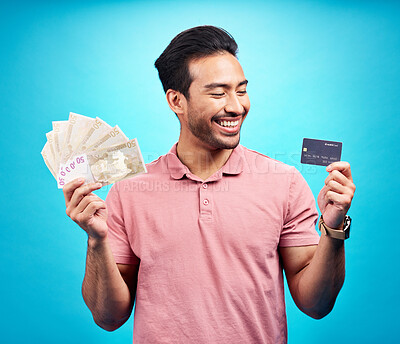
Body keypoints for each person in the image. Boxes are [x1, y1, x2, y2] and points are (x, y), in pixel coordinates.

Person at [63, 26, 356, 343]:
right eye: (218, 93)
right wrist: (96, 241)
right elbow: (108, 318)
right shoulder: (128, 189)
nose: (236, 106)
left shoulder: (284, 182)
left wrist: (334, 228)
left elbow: (316, 305)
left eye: (241, 90)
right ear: (177, 101)